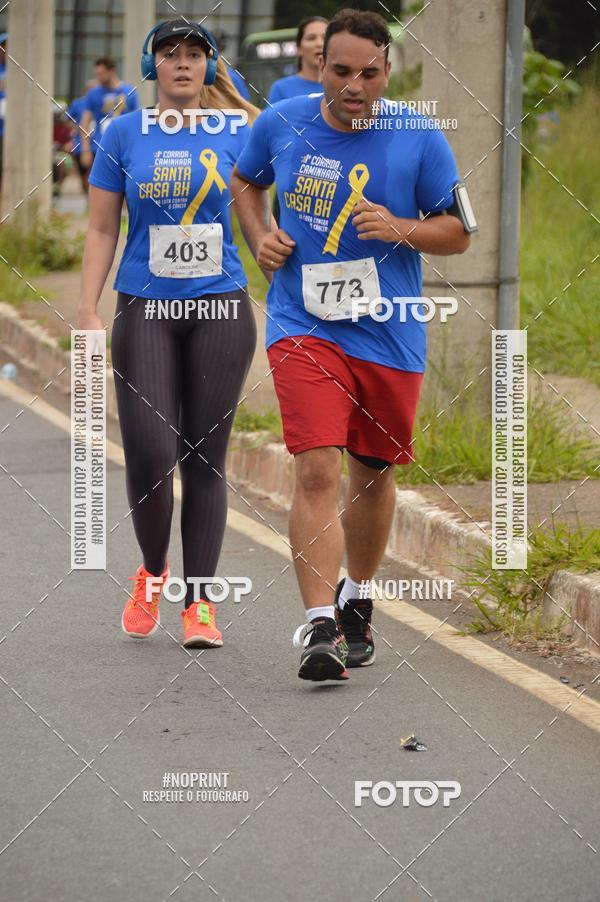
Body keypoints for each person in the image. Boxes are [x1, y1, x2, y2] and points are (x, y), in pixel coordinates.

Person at [231, 9, 472, 681]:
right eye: (340, 71)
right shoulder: (282, 123)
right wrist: (260, 238)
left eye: (369, 73)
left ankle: (357, 596)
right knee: (315, 466)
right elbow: (246, 182)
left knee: (373, 473)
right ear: (319, 67)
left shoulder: (419, 138)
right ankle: (318, 626)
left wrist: (400, 227)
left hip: (389, 332)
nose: (354, 85)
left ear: (387, 72)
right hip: (302, 324)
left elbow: (458, 231)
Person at [79, 19, 258, 648]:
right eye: (169, 54)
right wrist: (88, 308)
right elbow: (103, 228)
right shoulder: (123, 132)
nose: (181, 64)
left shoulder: (242, 131)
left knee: (204, 458)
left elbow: (273, 212)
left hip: (222, 307)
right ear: (151, 65)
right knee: (151, 452)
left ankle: (201, 604)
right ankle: (153, 572)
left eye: (194, 55)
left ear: (209, 67)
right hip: (145, 307)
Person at [79, 57, 139, 171]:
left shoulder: (129, 92)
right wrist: (85, 149)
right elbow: (84, 122)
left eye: (101, 73)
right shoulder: (93, 93)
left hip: (124, 148)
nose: (98, 77)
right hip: (99, 147)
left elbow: (136, 123)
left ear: (112, 71)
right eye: (97, 74)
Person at [267, 17, 327, 104]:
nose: (319, 44)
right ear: (298, 48)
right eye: (311, 38)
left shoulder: (341, 88)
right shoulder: (281, 88)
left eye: (325, 38)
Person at [67, 79, 97, 192]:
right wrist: (75, 129)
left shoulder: (101, 102)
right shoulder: (78, 103)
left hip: (97, 143)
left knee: (95, 174)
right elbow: (68, 119)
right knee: (84, 174)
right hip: (80, 144)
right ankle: (87, 196)